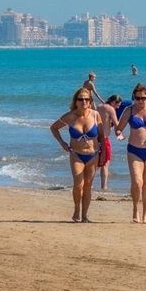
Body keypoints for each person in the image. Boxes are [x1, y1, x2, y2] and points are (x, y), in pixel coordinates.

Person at [114, 83, 146, 224]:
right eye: (137, 98)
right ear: (133, 97)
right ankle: (135, 210)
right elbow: (118, 129)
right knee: (137, 182)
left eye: (143, 98)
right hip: (134, 150)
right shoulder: (129, 110)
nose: (140, 101)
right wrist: (119, 135)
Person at [50, 88, 103, 222]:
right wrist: (62, 143)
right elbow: (53, 128)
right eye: (81, 99)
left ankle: (85, 215)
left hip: (93, 154)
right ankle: (76, 210)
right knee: (78, 184)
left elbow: (102, 136)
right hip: (76, 155)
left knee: (88, 185)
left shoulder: (96, 115)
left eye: (86, 99)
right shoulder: (69, 117)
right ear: (76, 101)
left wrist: (103, 154)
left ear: (90, 101)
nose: (84, 101)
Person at [96, 94, 121, 192]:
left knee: (94, 163)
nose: (118, 107)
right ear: (114, 102)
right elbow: (117, 125)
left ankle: (85, 182)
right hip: (104, 139)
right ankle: (104, 187)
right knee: (105, 164)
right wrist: (120, 134)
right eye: (118, 105)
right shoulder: (111, 109)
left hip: (94, 138)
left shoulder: (97, 107)